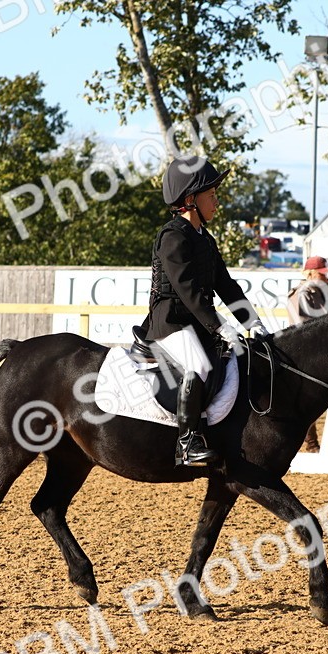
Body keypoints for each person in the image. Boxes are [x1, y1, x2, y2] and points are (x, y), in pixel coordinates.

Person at [141, 154, 267, 467]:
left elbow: (226, 286)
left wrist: (253, 322)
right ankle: (187, 442)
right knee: (197, 364)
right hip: (170, 323)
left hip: (196, 323)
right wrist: (220, 326)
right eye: (211, 196)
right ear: (189, 200)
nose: (217, 202)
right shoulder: (172, 236)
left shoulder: (204, 239)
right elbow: (188, 292)